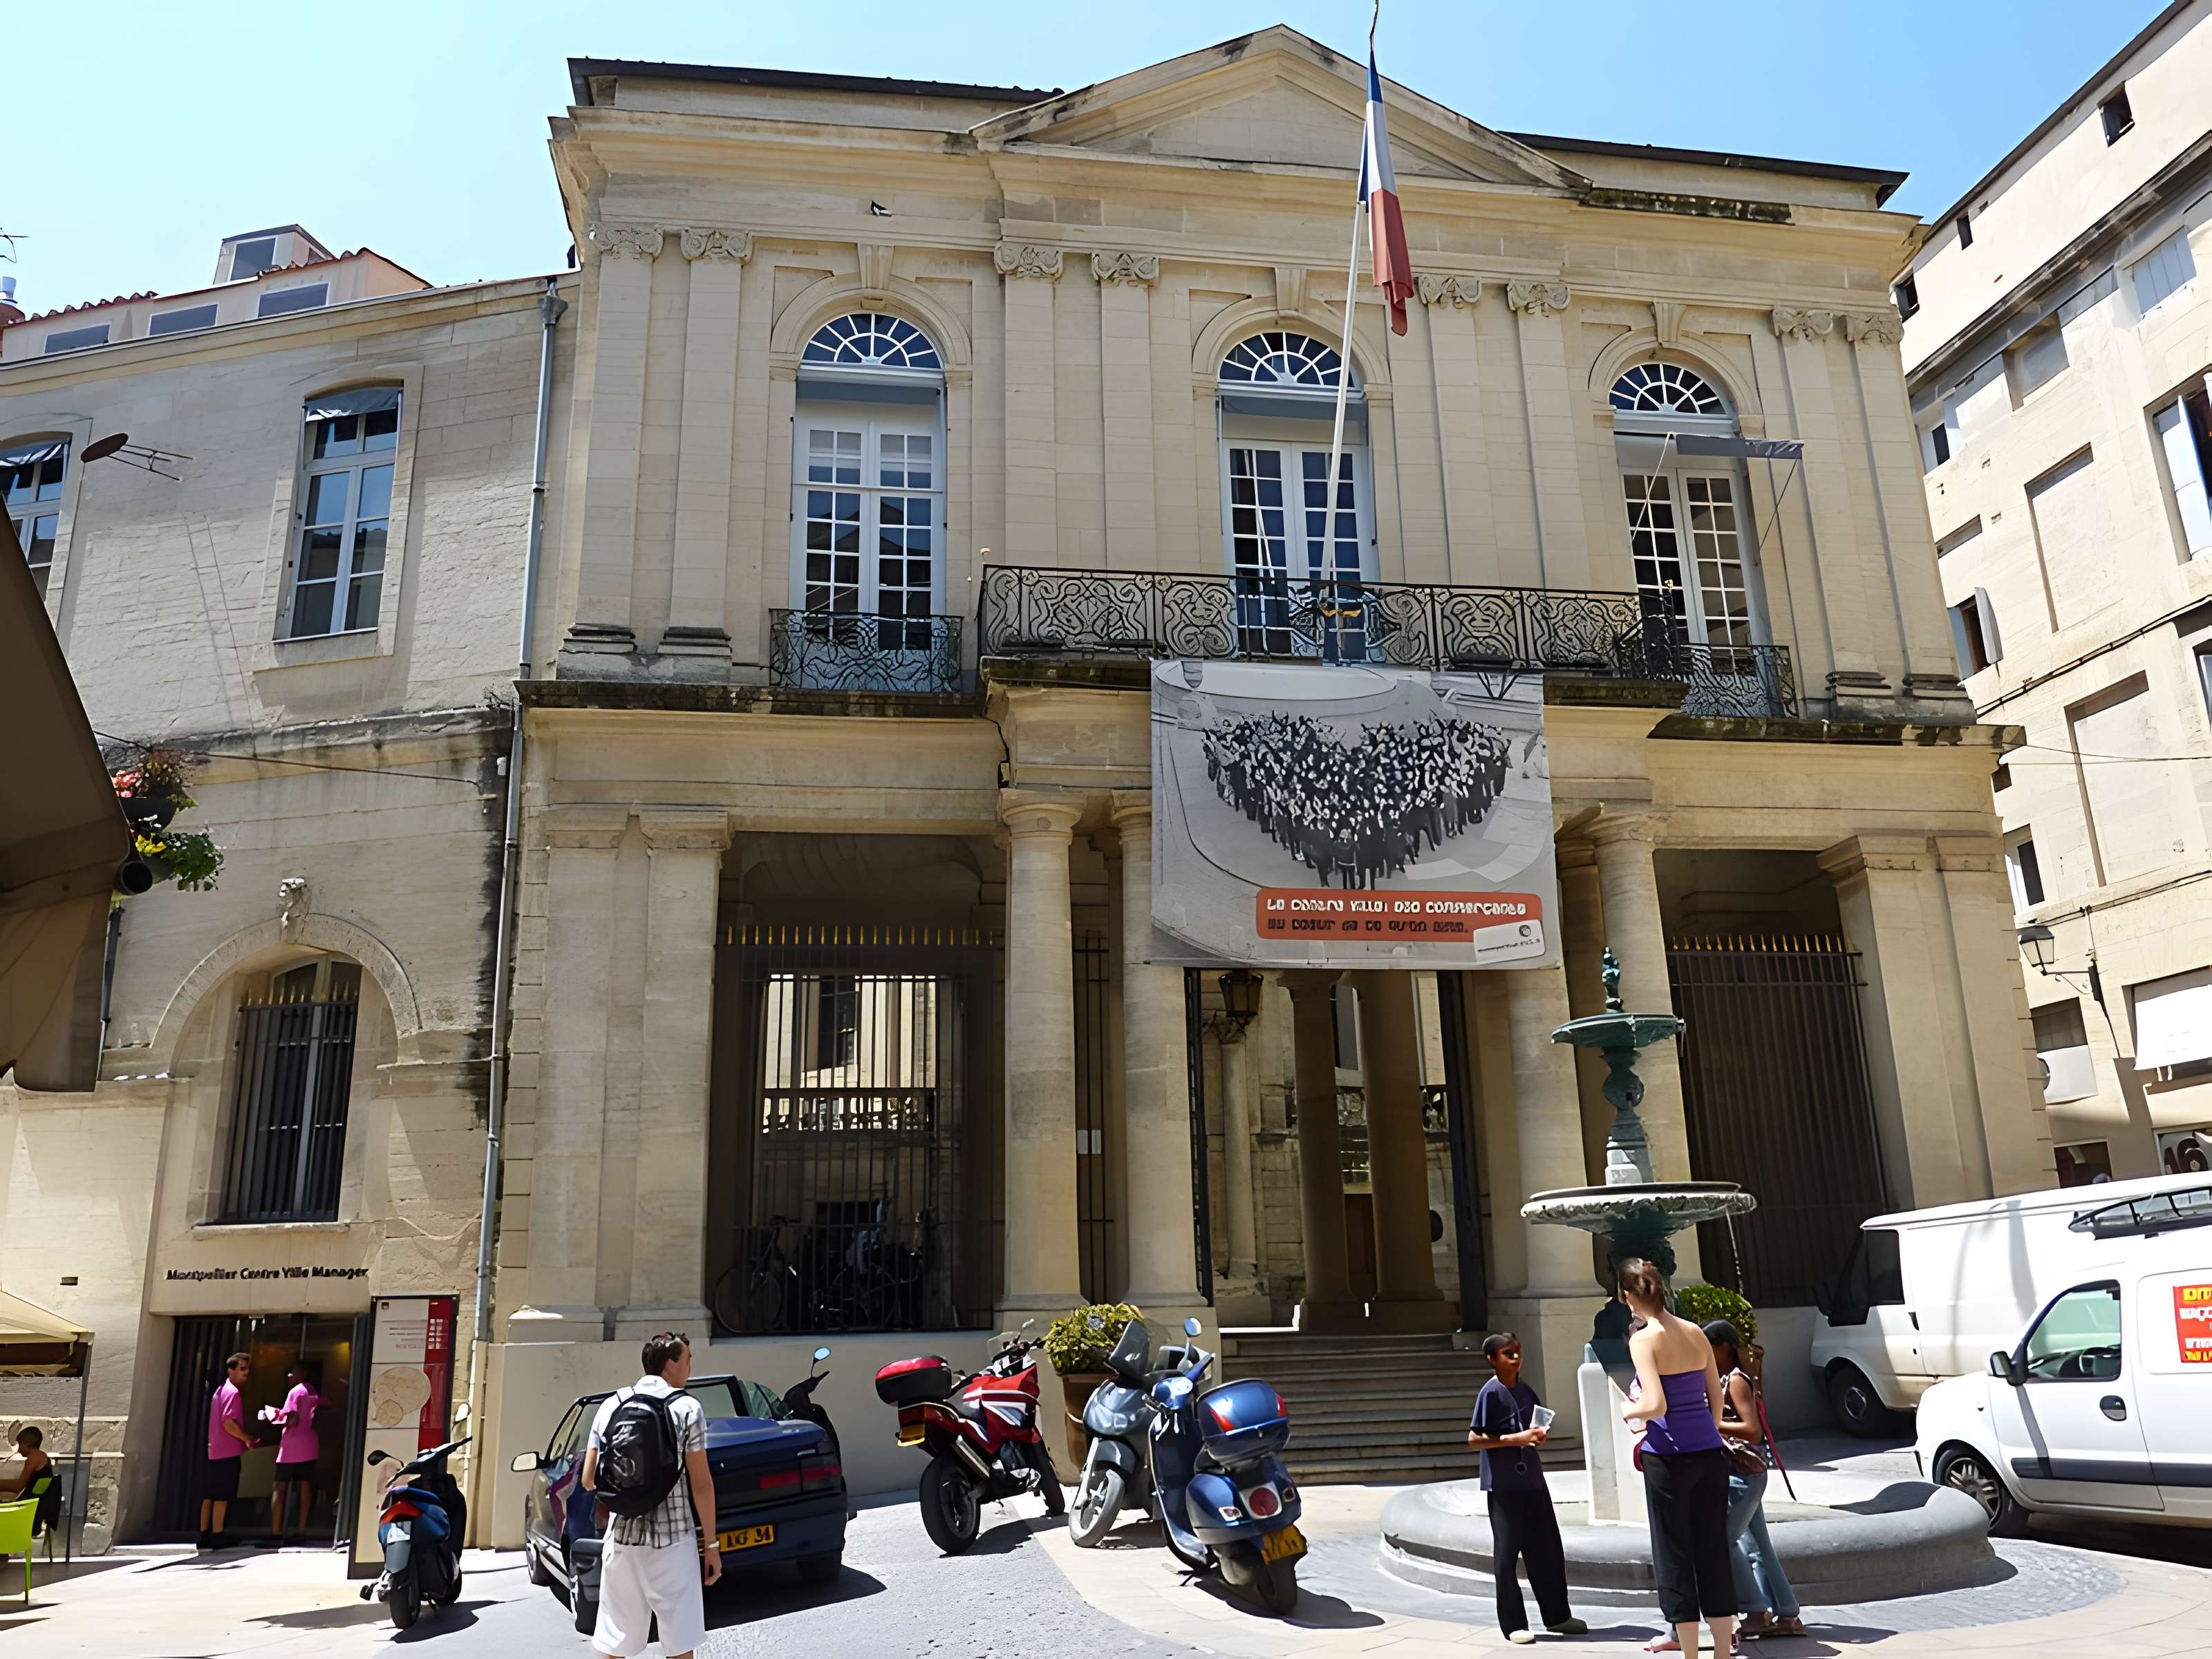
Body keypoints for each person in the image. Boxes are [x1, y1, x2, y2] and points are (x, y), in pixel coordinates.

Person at [1618, 1260, 1736, 1656]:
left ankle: (1689, 1654)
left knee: (1674, 1554)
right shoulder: (1696, 1333)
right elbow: (1716, 1402)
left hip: (1668, 1458)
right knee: (1713, 1550)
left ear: (1627, 1297)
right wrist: (1704, 1428)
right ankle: (1721, 1652)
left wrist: (1627, 1411)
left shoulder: (1643, 1340)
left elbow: (1654, 1404)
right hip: (1710, 1453)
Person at [582, 1332, 721, 1659]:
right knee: (679, 1643)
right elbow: (701, 1484)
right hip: (672, 1543)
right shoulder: (688, 1408)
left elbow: (589, 1480)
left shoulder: (611, 1405)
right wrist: (711, 1546)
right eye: (687, 1361)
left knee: (613, 1642)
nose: (689, 1368)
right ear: (670, 1364)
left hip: (622, 1542)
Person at [1465, 1332, 1584, 1644]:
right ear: (1492, 1359)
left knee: (1547, 1549)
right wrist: (1512, 1440)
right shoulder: (1490, 1394)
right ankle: (1514, 1623)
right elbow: (1474, 1439)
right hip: (1504, 1487)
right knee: (1506, 1556)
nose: (1516, 1358)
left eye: (1517, 1351)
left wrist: (1535, 1435)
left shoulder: (1526, 1390)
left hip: (1532, 1481)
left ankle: (1557, 1615)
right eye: (1507, 1353)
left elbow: (1532, 1427)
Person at [1704, 1321, 1805, 1640]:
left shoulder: (1736, 1381)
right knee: (1758, 1545)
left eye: (1707, 1348)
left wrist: (1711, 1424)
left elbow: (1752, 1430)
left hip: (1743, 1475)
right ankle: (1787, 1614)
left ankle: (1755, 1610)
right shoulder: (1725, 1379)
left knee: (1723, 1540)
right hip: (1743, 1475)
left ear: (1722, 1348)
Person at [262, 1361, 322, 1548]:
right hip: (309, 1445)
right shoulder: (311, 1390)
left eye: (292, 1373)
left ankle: (276, 1531)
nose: (289, 1376)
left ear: (301, 1375)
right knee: (305, 1487)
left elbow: (293, 1418)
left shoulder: (295, 1392)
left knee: (279, 1488)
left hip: (291, 1448)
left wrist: (273, 1416)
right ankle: (302, 1529)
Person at [200, 1353, 254, 1551]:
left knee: (209, 1495)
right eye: (242, 1369)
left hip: (213, 1450)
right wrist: (247, 1438)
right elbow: (229, 1423)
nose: (246, 1373)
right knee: (222, 1495)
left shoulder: (219, 1391)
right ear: (230, 1370)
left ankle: (204, 1533)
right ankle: (218, 1534)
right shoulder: (233, 1393)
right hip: (227, 1452)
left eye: (247, 1369)